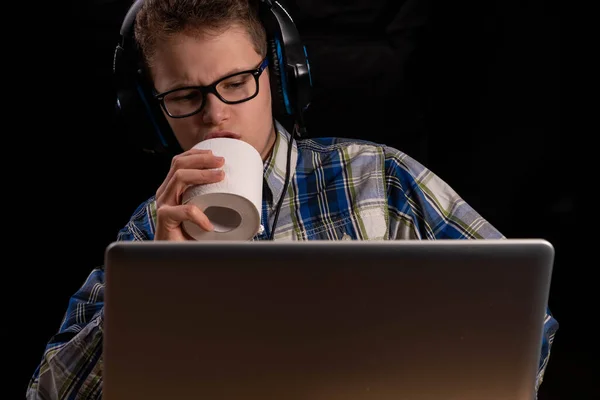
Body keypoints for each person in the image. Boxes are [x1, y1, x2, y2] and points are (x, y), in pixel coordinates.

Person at [26, 0, 559, 398]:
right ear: (152, 109)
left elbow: (525, 323)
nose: (215, 116)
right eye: (185, 96)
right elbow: (49, 392)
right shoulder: (147, 233)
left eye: (236, 82)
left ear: (280, 77)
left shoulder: (382, 179)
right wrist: (155, 281)